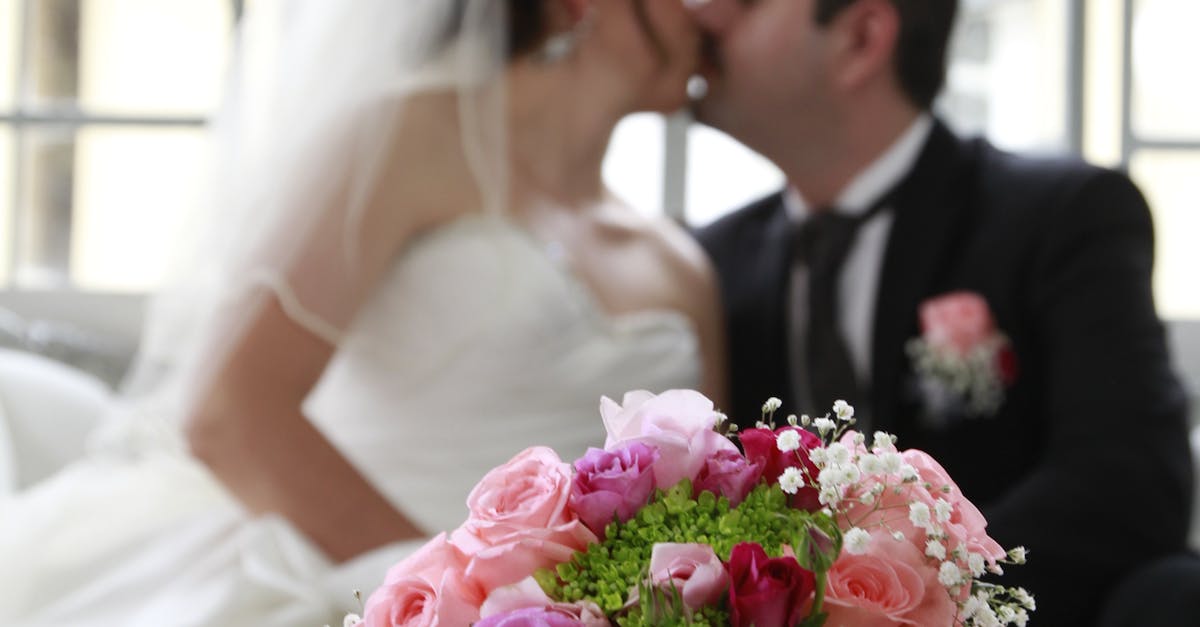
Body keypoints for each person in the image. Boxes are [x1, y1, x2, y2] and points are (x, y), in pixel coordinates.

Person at [0, 1, 724, 625]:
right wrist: (459, 596)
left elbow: (709, 505)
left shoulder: (682, 268)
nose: (712, 13)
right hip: (321, 568)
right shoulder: (406, 138)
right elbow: (227, 413)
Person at [686, 0, 1196, 624]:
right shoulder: (713, 264)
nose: (702, 14)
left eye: (742, 2)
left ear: (861, 38)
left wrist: (904, 602)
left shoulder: (1062, 218)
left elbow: (1128, 483)